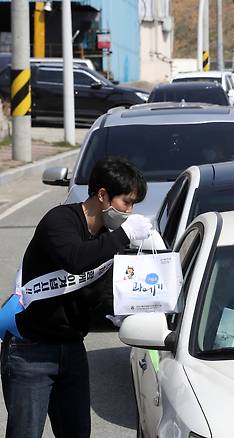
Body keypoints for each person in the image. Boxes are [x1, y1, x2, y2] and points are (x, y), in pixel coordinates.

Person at [0, 157, 152, 438]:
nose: (130, 212)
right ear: (103, 195)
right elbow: (75, 259)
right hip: (30, 351)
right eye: (126, 202)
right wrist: (124, 235)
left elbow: (101, 293)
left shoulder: (106, 237)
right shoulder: (60, 221)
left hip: (71, 349)